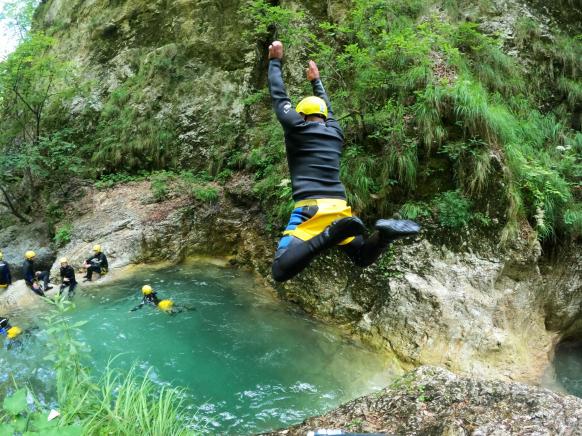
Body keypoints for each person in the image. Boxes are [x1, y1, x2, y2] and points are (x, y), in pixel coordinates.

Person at [267, 41, 420, 282]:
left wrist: (274, 60)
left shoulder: (296, 127)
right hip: (338, 207)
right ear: (324, 116)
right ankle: (385, 235)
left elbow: (279, 96)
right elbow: (327, 108)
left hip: (310, 209)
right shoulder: (335, 131)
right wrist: (316, 81)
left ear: (301, 115)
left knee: (279, 270)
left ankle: (329, 235)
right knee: (361, 256)